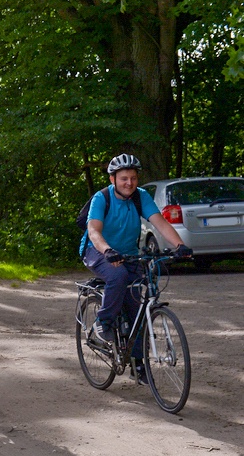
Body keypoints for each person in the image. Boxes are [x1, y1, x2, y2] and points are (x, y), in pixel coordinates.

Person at [80, 153, 192, 382]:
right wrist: (107, 251)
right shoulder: (102, 198)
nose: (129, 183)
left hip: (128, 253)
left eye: (132, 178)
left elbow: (159, 222)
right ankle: (103, 322)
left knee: (137, 305)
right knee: (118, 275)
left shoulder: (140, 197)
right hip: (97, 251)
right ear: (113, 179)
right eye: (123, 178)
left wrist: (180, 245)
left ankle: (138, 366)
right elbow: (94, 231)